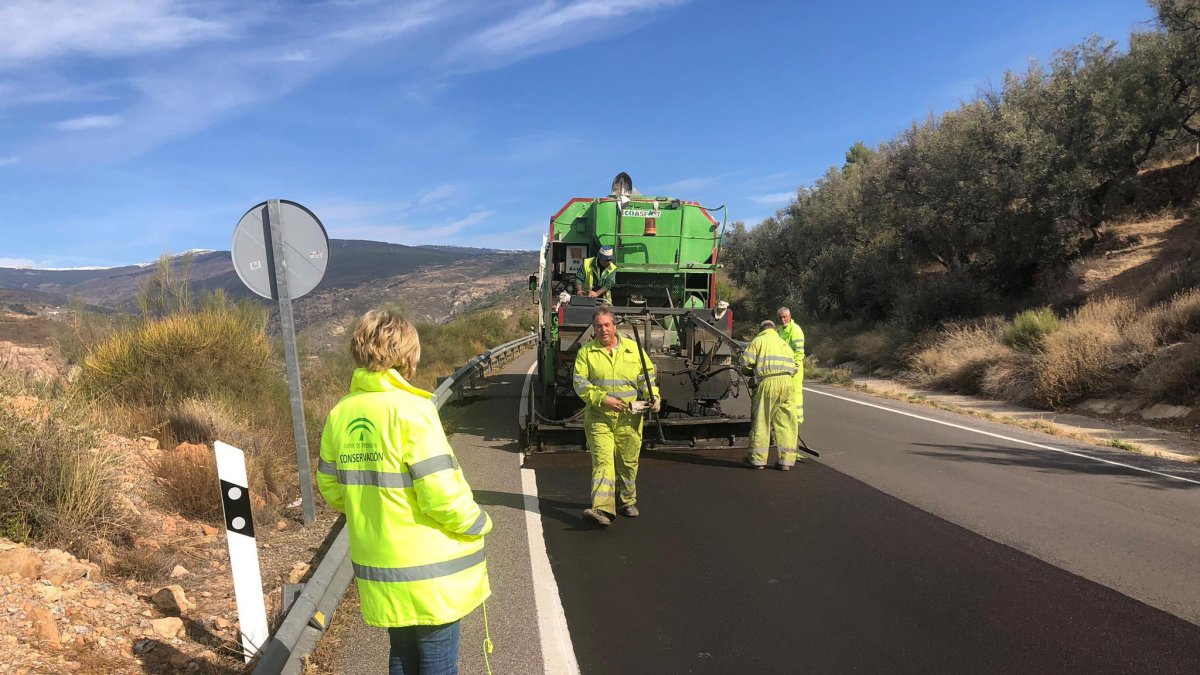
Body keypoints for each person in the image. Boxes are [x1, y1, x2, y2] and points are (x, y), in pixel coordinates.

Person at [317, 309, 492, 675]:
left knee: (402, 655)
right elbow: (441, 492)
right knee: (437, 662)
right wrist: (477, 522)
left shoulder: (341, 414)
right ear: (405, 353)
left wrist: (372, 508)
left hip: (382, 566)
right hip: (430, 572)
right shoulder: (413, 410)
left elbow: (332, 488)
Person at [573, 307, 659, 527]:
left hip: (630, 419)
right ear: (594, 329)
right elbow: (580, 383)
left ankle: (627, 501)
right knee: (603, 462)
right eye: (599, 326)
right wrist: (602, 399)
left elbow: (646, 377)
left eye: (607, 325)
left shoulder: (633, 349)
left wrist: (654, 396)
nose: (604, 330)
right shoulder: (587, 353)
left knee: (628, 463)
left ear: (614, 326)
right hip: (600, 418)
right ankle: (602, 509)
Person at [740, 320, 798, 470]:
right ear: (774, 330)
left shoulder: (758, 341)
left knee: (762, 420)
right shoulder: (784, 343)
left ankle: (757, 460)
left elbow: (746, 363)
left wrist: (751, 372)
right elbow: (795, 366)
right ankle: (786, 461)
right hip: (787, 383)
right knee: (786, 423)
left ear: (761, 329)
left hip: (767, 383)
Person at [776, 306, 806, 461]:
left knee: (794, 412)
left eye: (785, 317)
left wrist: (793, 368)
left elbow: (799, 353)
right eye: (780, 317)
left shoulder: (796, 330)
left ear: (790, 316)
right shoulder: (780, 331)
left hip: (793, 375)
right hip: (783, 374)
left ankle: (793, 448)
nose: (783, 320)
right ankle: (789, 446)